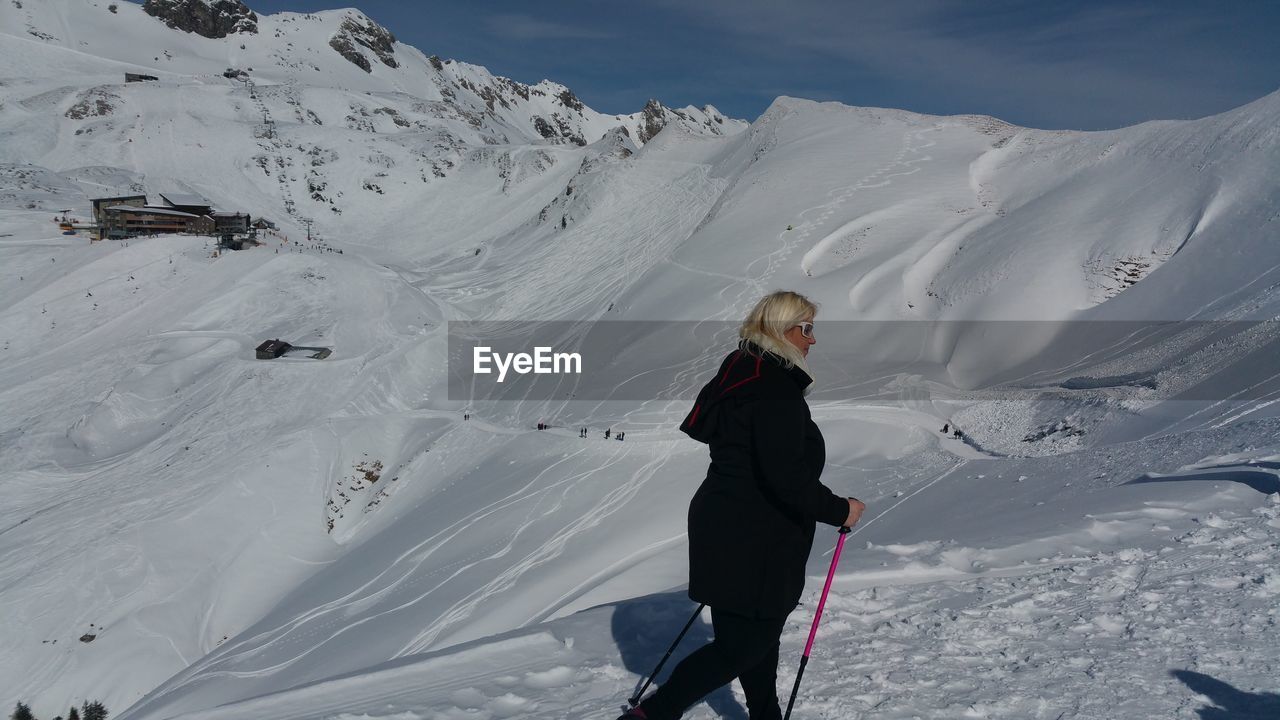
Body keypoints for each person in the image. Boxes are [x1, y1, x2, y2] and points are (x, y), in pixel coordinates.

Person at [618, 290, 865, 720]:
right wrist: (841, 509)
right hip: (757, 537)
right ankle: (653, 715)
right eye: (806, 329)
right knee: (746, 644)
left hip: (727, 524)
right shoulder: (775, 391)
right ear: (781, 331)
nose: (812, 340)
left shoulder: (742, 372)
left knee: (750, 640)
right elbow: (786, 477)